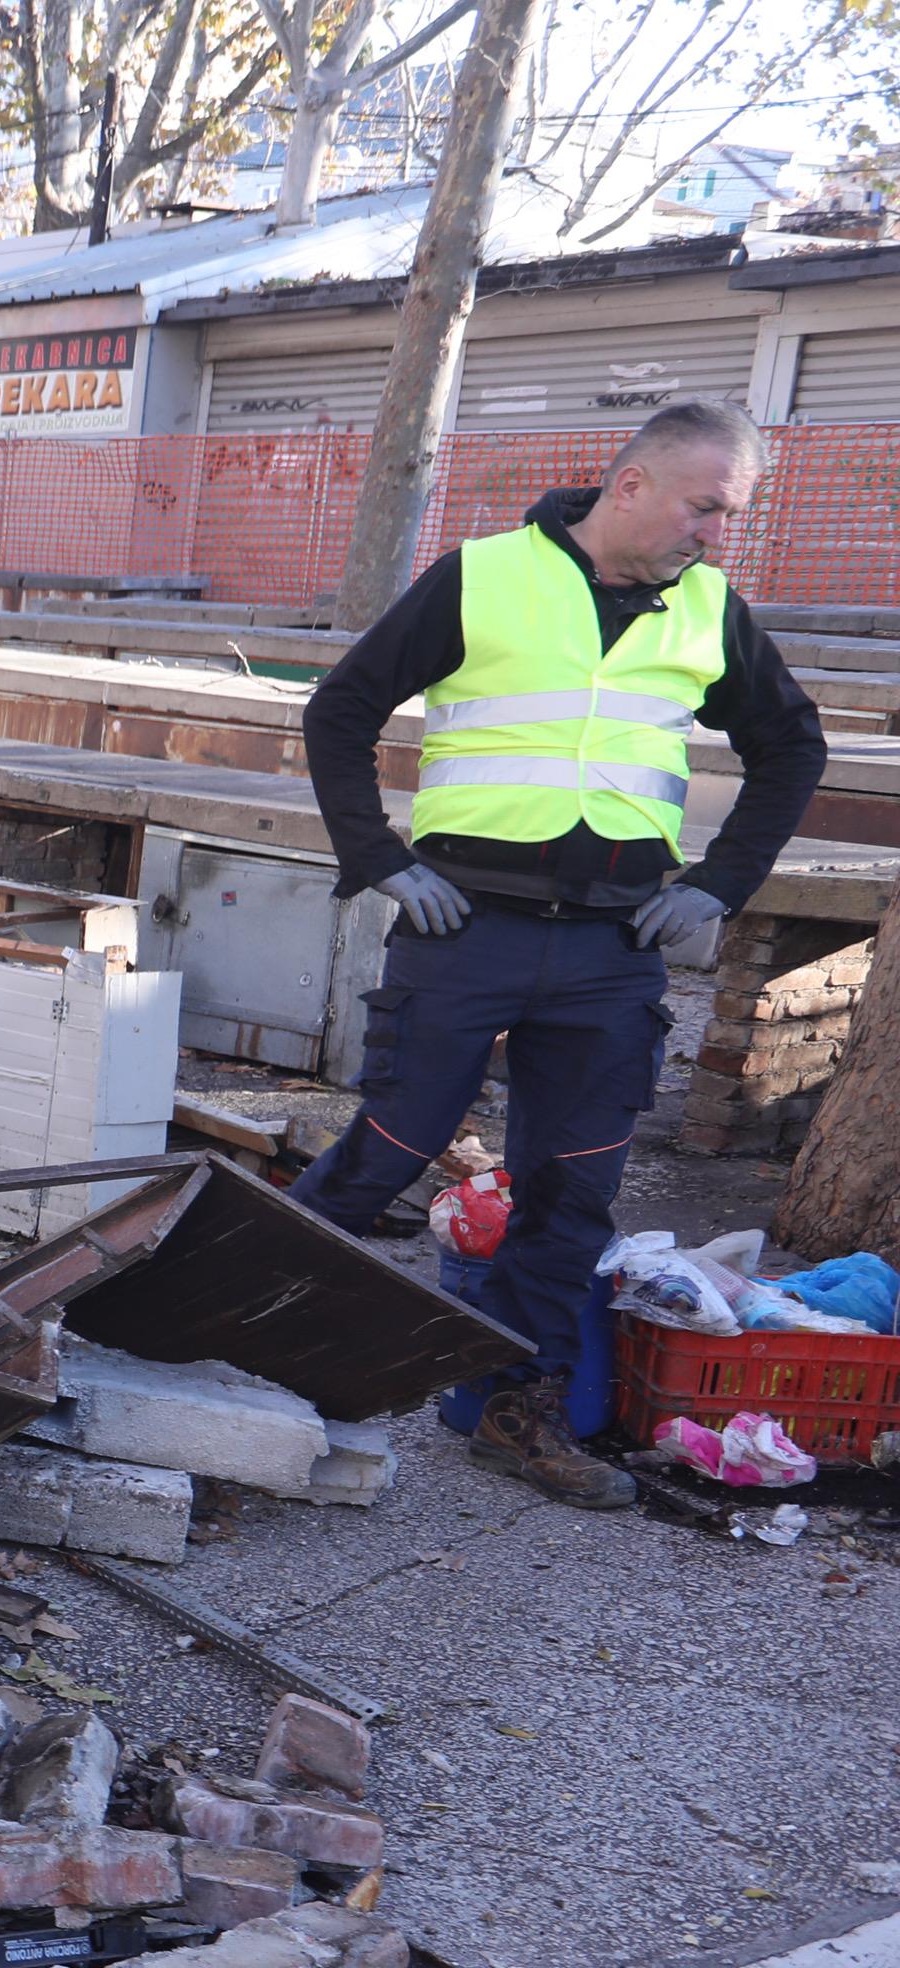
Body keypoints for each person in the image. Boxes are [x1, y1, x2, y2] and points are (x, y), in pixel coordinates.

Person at [292, 399, 827, 1509]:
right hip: (465, 927)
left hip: (611, 948)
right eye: (704, 507)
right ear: (630, 485)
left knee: (573, 1190)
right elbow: (340, 710)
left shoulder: (708, 609)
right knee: (387, 1154)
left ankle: (515, 1407)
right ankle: (245, 1336)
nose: (715, 533)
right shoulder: (484, 576)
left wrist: (719, 884)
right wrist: (378, 859)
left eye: (729, 515)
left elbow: (791, 745)